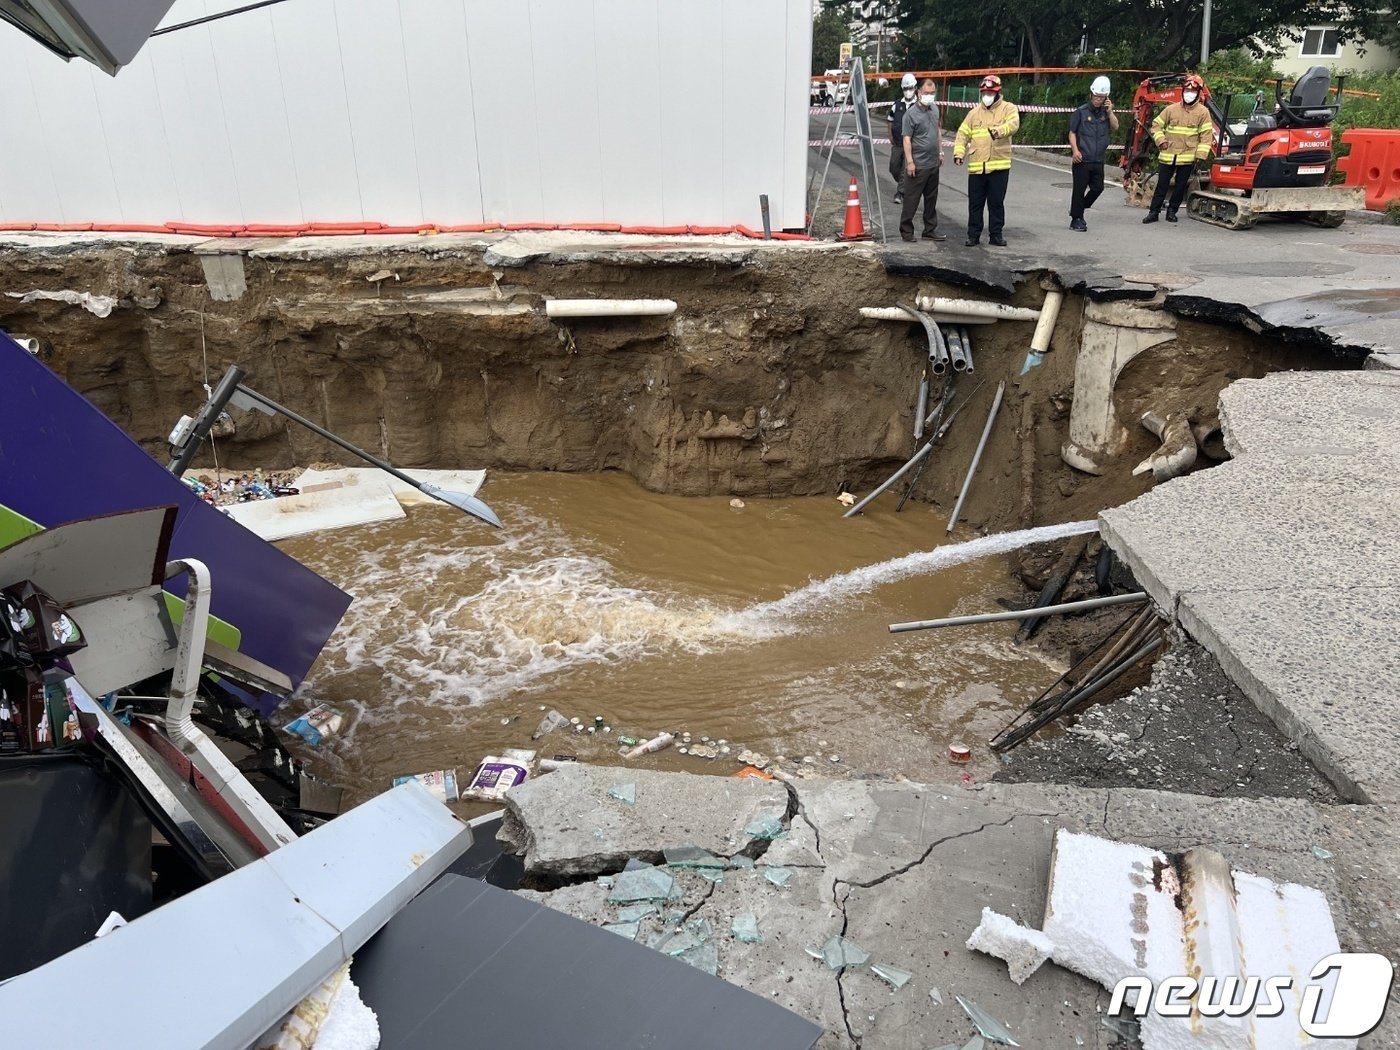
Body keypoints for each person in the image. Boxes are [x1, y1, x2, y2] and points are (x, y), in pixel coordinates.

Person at [953, 74, 1020, 247]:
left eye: (990, 93)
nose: (987, 96)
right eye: (984, 93)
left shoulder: (1008, 108)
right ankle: (973, 235)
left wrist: (1000, 131)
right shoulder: (974, 114)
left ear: (998, 92)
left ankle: (996, 235)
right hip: (977, 167)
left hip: (999, 166)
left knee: (996, 203)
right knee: (975, 204)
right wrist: (958, 153)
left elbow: (1014, 124)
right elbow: (962, 134)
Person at [1144, 73, 1213, 224]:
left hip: (1187, 157)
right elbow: (1156, 126)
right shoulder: (1171, 109)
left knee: (1180, 187)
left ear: (1198, 93)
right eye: (1187, 91)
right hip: (1168, 155)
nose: (1189, 94)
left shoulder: (1203, 112)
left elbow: (1206, 136)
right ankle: (1153, 212)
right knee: (1161, 185)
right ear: (1182, 91)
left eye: (1193, 92)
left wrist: (1201, 155)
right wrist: (1161, 141)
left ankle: (1171, 212)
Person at [1067, 76, 1119, 232]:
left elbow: (1116, 127)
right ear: (1091, 94)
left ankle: (1078, 208)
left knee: (1098, 188)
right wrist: (1075, 150)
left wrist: (1110, 112)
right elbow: (1072, 133)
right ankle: (1077, 219)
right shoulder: (1081, 112)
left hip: (1098, 159)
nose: (1097, 99)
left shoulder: (1105, 113)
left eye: (1101, 97)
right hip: (1082, 159)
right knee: (1079, 190)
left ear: (1106, 98)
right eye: (1096, 96)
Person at [899, 78, 946, 243]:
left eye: (932, 93)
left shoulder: (935, 109)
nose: (929, 96)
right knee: (911, 199)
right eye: (926, 93)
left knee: (931, 199)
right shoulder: (911, 114)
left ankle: (930, 229)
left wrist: (940, 152)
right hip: (918, 164)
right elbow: (906, 139)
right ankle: (906, 231)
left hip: (933, 164)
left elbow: (937, 131)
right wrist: (910, 162)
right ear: (919, 92)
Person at [888, 73, 918, 204]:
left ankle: (900, 192)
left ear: (915, 87)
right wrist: (890, 135)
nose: (908, 91)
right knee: (894, 167)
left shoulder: (919, 105)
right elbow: (890, 120)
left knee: (904, 169)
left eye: (910, 88)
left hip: (911, 144)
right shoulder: (897, 105)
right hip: (898, 142)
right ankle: (905, 185)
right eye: (905, 89)